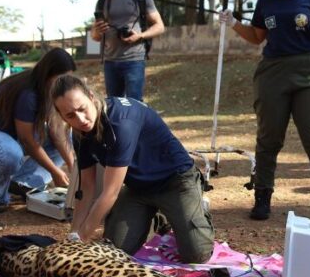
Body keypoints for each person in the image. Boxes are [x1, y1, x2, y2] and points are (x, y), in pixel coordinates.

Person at [219, 0, 310, 226]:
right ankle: (262, 195)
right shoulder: (266, 0)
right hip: (272, 73)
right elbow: (258, 37)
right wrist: (234, 22)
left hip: (307, 72)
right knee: (269, 137)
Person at [51, 74, 214, 264]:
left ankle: (192, 213)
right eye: (70, 115)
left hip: (176, 181)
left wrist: (83, 239)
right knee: (115, 249)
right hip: (138, 187)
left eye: (82, 109)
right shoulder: (79, 133)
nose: (80, 119)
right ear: (62, 116)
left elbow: (109, 193)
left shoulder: (121, 122)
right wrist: (73, 236)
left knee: (196, 255)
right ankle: (158, 216)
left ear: (91, 97)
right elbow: (85, 189)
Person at [0, 48, 76, 212]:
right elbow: (28, 141)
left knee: (66, 137)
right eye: (61, 78)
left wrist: (74, 168)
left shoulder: (51, 90)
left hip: (11, 138)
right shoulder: (28, 93)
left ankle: (23, 183)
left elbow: (58, 132)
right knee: (10, 153)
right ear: (48, 74)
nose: (64, 83)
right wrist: (54, 172)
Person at [90, 0, 165, 101]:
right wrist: (97, 30)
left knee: (134, 104)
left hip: (134, 60)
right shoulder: (103, 1)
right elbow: (95, 37)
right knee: (114, 106)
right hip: (111, 61)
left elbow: (160, 26)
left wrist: (140, 36)